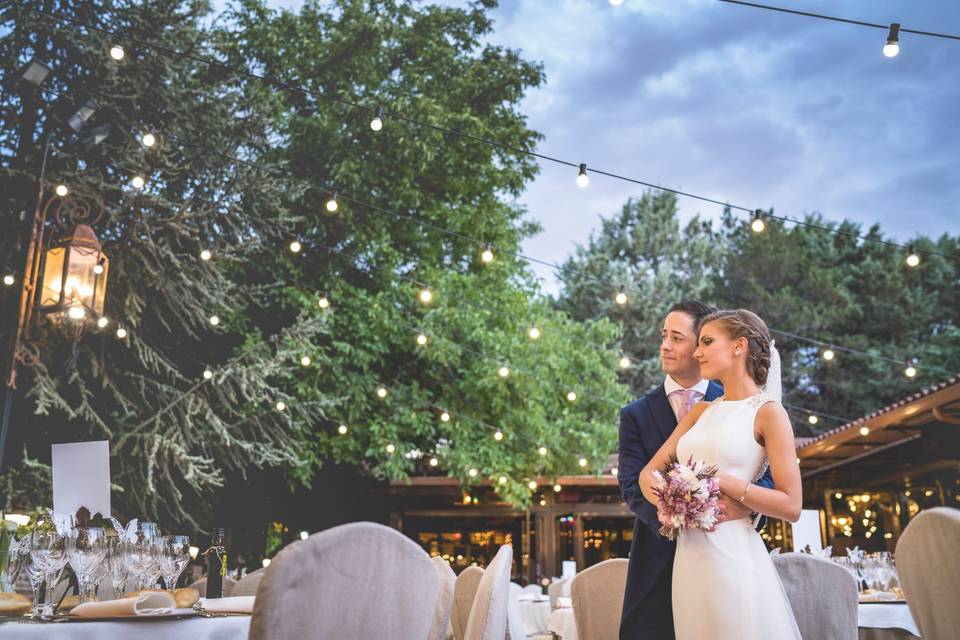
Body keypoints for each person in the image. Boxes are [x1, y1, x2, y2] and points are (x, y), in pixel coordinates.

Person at [639, 309, 802, 639]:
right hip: (689, 557)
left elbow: (791, 504)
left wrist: (723, 483)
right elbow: (648, 474)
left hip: (733, 555)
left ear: (739, 346)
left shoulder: (768, 413)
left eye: (707, 342)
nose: (697, 353)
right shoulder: (700, 411)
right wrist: (671, 502)